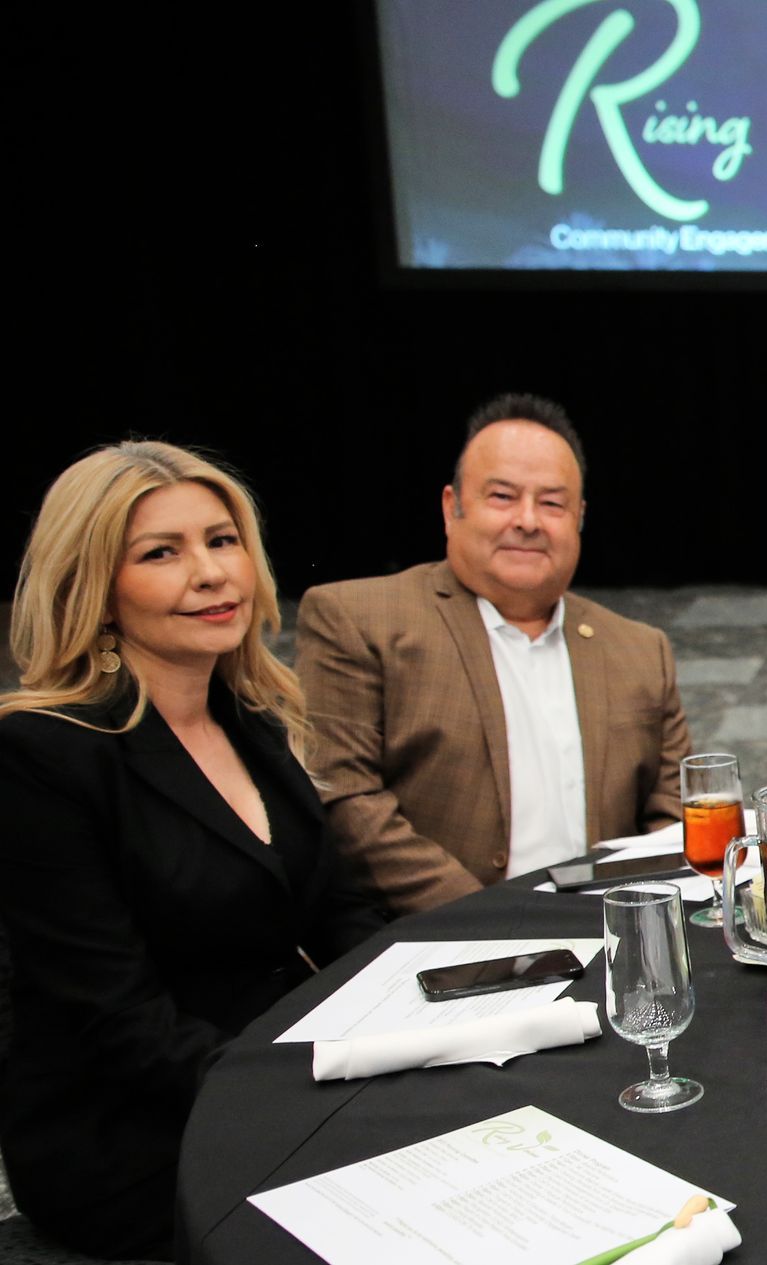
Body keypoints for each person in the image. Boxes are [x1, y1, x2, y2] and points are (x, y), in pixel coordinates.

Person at [0, 442, 385, 1259]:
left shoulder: (252, 718)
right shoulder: (41, 755)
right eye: (161, 553)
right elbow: (119, 1021)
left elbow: (339, 911)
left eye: (222, 539)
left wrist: (413, 1027)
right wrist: (318, 1086)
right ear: (96, 588)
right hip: (131, 1132)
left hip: (279, 1073)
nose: (211, 573)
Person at [296, 393, 690, 915]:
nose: (528, 521)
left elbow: (675, 817)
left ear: (579, 519)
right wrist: (499, 919)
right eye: (502, 497)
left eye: (552, 503)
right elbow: (347, 799)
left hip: (609, 936)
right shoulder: (358, 621)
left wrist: (635, 921)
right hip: (432, 944)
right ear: (450, 507)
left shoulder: (640, 649)